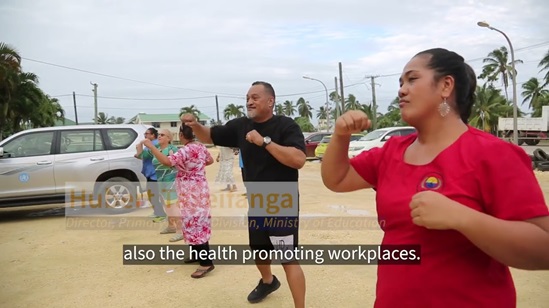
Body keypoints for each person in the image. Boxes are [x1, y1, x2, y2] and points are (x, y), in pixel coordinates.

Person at [320, 48, 549, 308]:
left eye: (412, 79)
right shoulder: (392, 152)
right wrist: (340, 135)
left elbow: (543, 249)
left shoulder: (494, 154)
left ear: (446, 85)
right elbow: (336, 179)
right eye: (400, 82)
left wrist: (462, 217)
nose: (402, 90)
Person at [181, 81, 307, 307]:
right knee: (259, 249)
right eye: (248, 97)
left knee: (288, 258)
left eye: (255, 97)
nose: (249, 101)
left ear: (270, 101)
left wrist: (264, 141)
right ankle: (268, 281)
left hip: (282, 200)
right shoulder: (240, 125)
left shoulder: (286, 126)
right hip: (257, 199)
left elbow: (298, 160)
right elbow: (210, 136)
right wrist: (196, 125)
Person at [143, 124, 216, 278]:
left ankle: (206, 262)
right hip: (199, 188)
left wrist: (151, 147)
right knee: (194, 222)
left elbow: (167, 162)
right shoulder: (200, 147)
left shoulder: (185, 150)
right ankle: (198, 255)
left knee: (195, 224)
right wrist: (194, 168)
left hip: (190, 190)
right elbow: (209, 161)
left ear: (181, 135)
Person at [140, 129, 181, 242]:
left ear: (169, 138)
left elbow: (174, 163)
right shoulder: (156, 149)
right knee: (165, 204)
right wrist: (140, 144)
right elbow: (139, 155)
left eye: (162, 135)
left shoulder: (173, 149)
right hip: (160, 180)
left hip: (170, 179)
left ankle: (180, 230)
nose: (159, 136)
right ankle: (171, 226)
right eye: (159, 135)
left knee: (172, 205)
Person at [134, 127, 167, 222]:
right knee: (153, 195)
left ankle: (161, 214)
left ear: (153, 135)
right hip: (152, 173)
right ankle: (157, 212)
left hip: (154, 174)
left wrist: (139, 148)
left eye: (147, 133)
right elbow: (144, 157)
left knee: (154, 195)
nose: (145, 135)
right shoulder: (151, 144)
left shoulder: (153, 144)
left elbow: (141, 155)